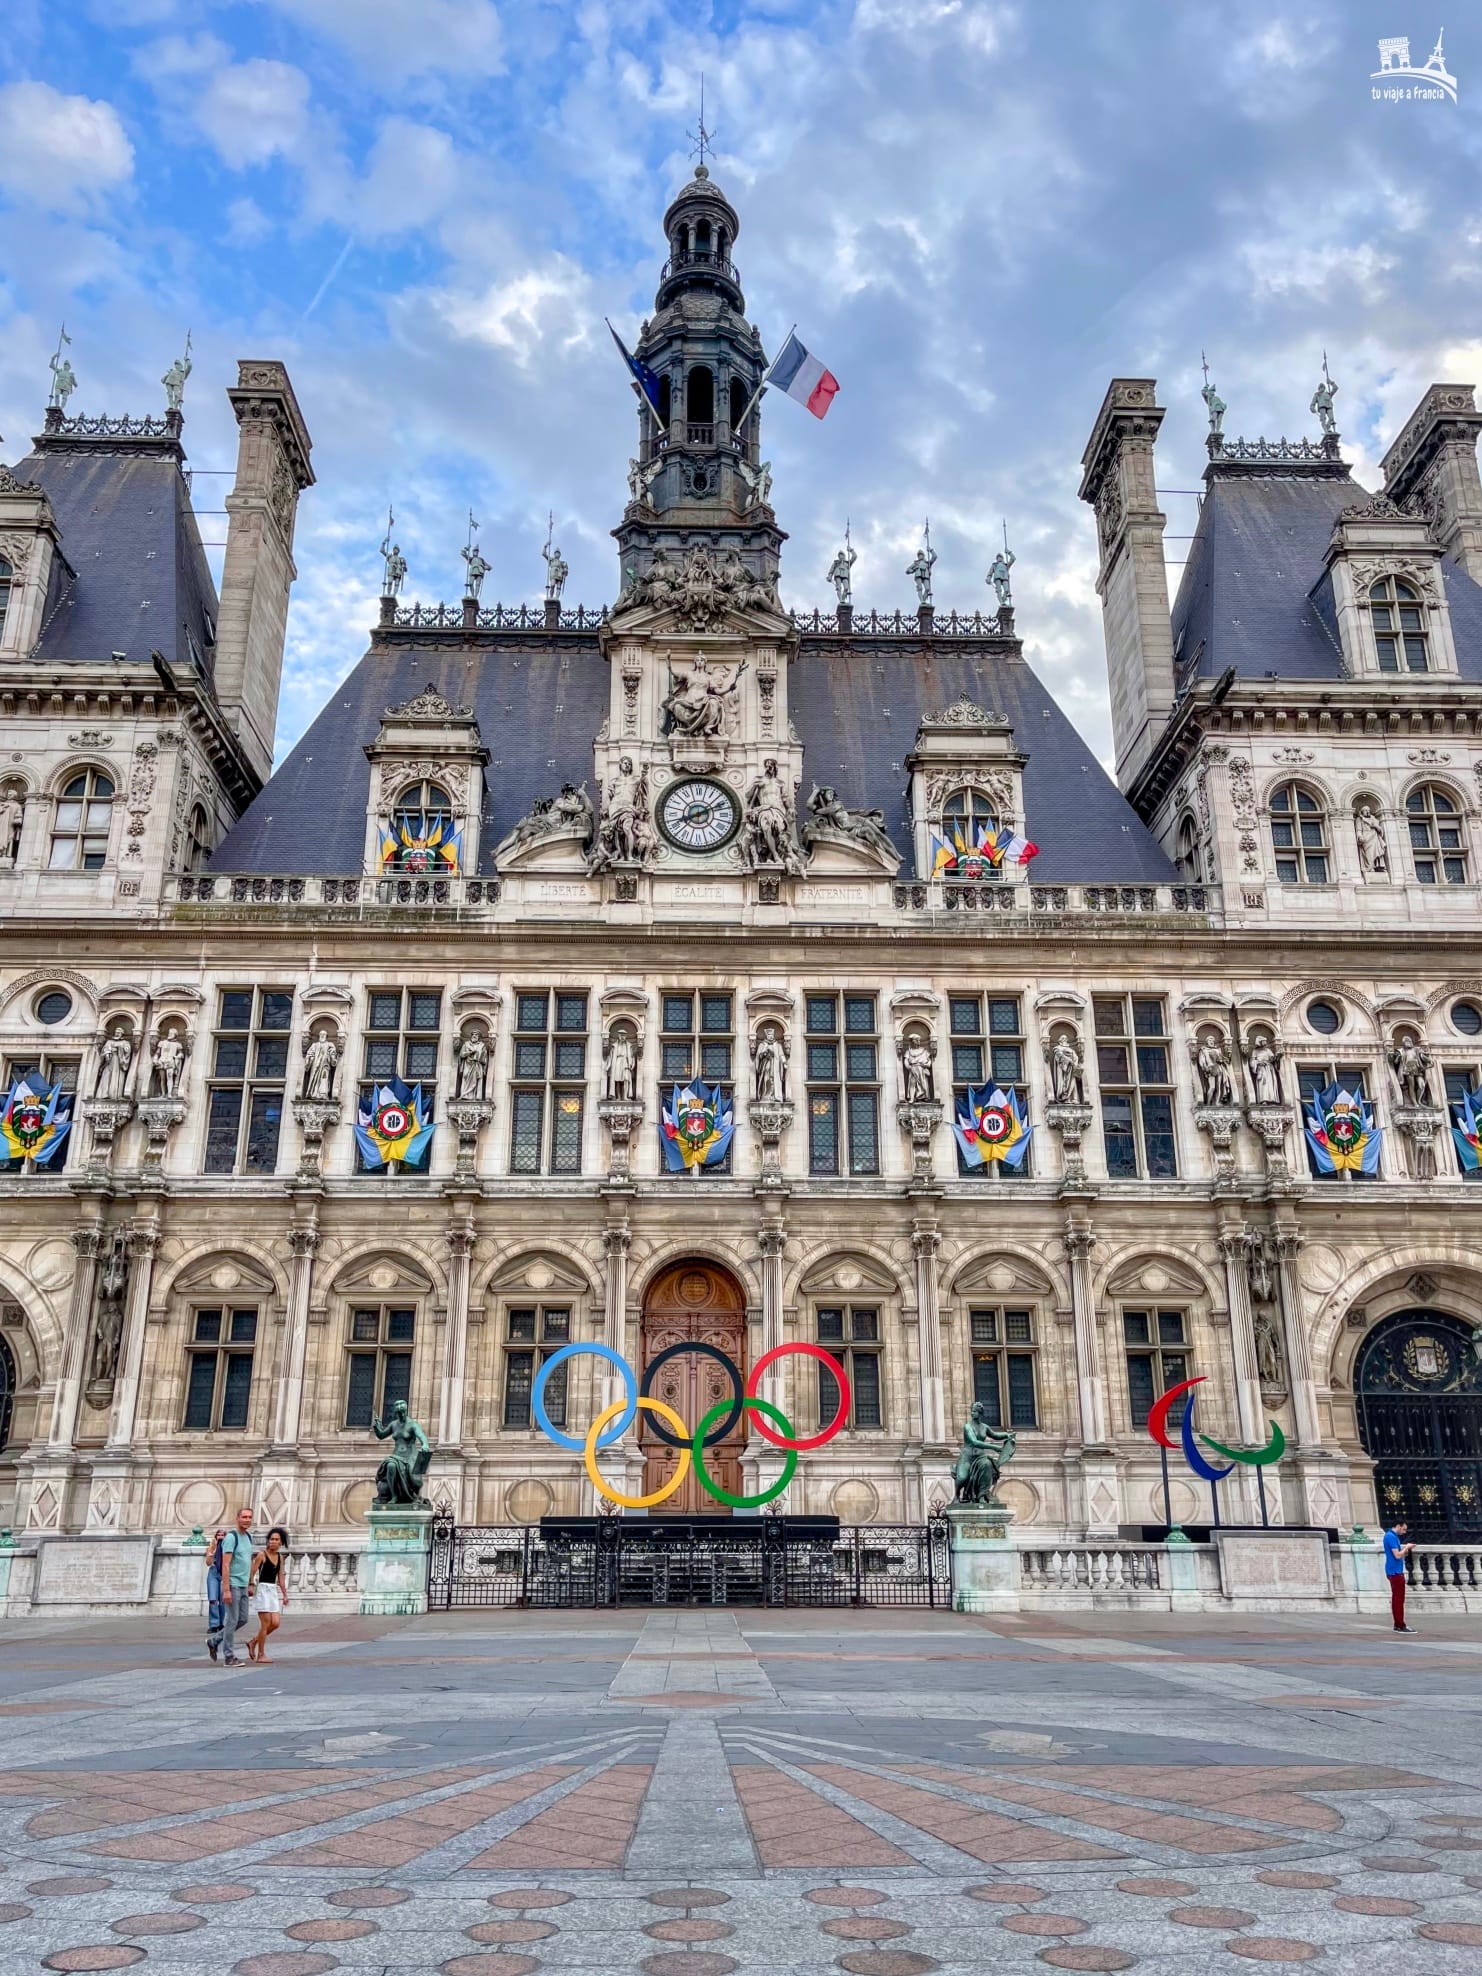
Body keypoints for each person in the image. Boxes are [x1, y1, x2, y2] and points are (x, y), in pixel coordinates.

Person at [207, 1505, 255, 1664]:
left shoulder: (248, 1537)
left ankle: (214, 1641)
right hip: (232, 1584)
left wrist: (250, 1583)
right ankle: (229, 1656)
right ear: (237, 1518)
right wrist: (226, 1589)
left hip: (242, 1584)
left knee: (243, 1619)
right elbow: (226, 1564)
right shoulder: (231, 1538)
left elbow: (247, 1562)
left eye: (249, 1517)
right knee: (231, 1620)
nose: (247, 1520)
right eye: (244, 1517)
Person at [246, 1526, 290, 1663]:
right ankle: (261, 1654)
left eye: (276, 1539)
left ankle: (254, 1641)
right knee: (265, 1624)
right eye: (271, 1539)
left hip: (272, 1591)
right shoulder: (261, 1555)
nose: (273, 1542)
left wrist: (285, 1594)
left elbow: (281, 1577)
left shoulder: (280, 1557)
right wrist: (251, 1585)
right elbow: (252, 1572)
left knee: (275, 1623)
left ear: (281, 1543)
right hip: (263, 1589)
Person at [1384, 1518, 1413, 1632]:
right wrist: (1407, 1547)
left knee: (1398, 1598)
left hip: (1395, 1570)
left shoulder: (1392, 1536)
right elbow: (1397, 1555)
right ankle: (1400, 1624)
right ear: (1398, 1526)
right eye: (1404, 1529)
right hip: (1395, 1571)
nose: (1404, 1532)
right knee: (1398, 1599)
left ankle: (1399, 1623)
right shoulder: (1390, 1537)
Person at [204, 1528, 226, 1659]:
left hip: (223, 1572)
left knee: (222, 1599)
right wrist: (212, 1552)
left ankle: (221, 1623)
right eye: (218, 1534)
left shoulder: (228, 1547)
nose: (221, 1537)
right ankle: (213, 1624)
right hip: (213, 1572)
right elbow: (208, 1563)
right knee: (213, 1599)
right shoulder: (211, 1547)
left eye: (223, 1535)